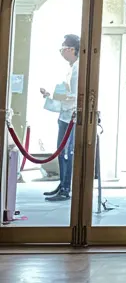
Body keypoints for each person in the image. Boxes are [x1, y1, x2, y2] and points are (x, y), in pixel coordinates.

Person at [41, 34, 79, 202]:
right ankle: (63, 183)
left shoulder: (77, 68)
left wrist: (55, 99)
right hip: (64, 116)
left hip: (70, 117)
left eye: (62, 49)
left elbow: (74, 96)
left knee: (66, 153)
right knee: (61, 152)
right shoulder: (72, 68)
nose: (61, 52)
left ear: (71, 49)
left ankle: (65, 187)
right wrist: (51, 97)